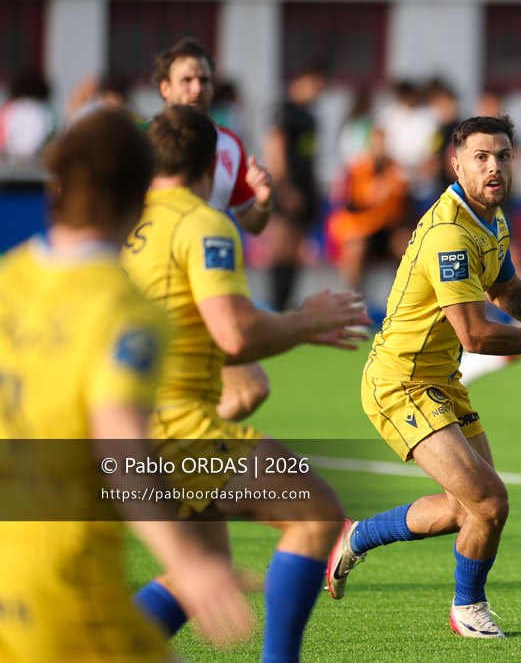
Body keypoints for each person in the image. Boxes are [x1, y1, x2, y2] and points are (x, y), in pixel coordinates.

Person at [326, 115, 521, 638]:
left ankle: (358, 535)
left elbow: (507, 291)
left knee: (469, 509)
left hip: (441, 380)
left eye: (503, 156)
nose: (494, 167)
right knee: (490, 502)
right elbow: (476, 336)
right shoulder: (449, 233)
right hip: (400, 383)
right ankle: (468, 609)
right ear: (456, 164)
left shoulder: (492, 218)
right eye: (481, 157)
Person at [0, 108, 252, 661]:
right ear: (141, 199)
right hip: (64, 576)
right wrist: (187, 562)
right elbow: (119, 446)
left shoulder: (8, 277)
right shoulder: (124, 309)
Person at [122, 105, 371, 661]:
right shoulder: (202, 223)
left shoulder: (130, 224)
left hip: (127, 422)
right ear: (214, 163)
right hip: (177, 425)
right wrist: (309, 319)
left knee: (200, 572)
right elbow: (234, 333)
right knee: (317, 516)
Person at [152, 37, 274, 422]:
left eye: (203, 79)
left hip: (207, 290)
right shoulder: (141, 140)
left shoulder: (229, 145)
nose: (196, 88)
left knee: (248, 389)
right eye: (186, 79)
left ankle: (167, 457)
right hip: (154, 285)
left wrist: (263, 200)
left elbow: (251, 224)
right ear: (165, 88)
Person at [261, 63, 324, 311]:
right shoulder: (284, 112)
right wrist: (285, 188)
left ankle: (287, 304)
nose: (318, 91)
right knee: (281, 248)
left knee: (297, 250)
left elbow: (310, 157)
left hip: (305, 189)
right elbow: (275, 149)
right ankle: (276, 304)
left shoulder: (310, 117)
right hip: (288, 190)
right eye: (315, 84)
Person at [327, 127, 410, 291]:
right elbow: (349, 201)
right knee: (355, 250)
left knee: (407, 246)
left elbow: (402, 202)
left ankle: (404, 295)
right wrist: (372, 194)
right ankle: (355, 294)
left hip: (388, 225)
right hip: (363, 226)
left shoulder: (396, 169)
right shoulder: (356, 169)